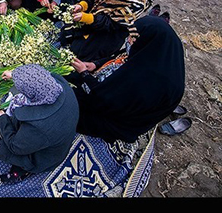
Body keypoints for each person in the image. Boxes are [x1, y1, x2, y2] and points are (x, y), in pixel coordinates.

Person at [70, 15, 185, 143]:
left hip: (117, 122)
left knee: (68, 102)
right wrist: (96, 64)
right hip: (118, 99)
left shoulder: (147, 82)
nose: (129, 40)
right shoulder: (155, 52)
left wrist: (85, 74)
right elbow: (124, 56)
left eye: (133, 38)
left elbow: (101, 101)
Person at [0, 64, 79, 184]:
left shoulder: (39, 126)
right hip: (59, 129)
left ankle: (22, 170)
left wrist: (2, 117)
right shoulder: (59, 85)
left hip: (46, 155)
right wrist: (15, 75)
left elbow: (15, 146)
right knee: (15, 90)